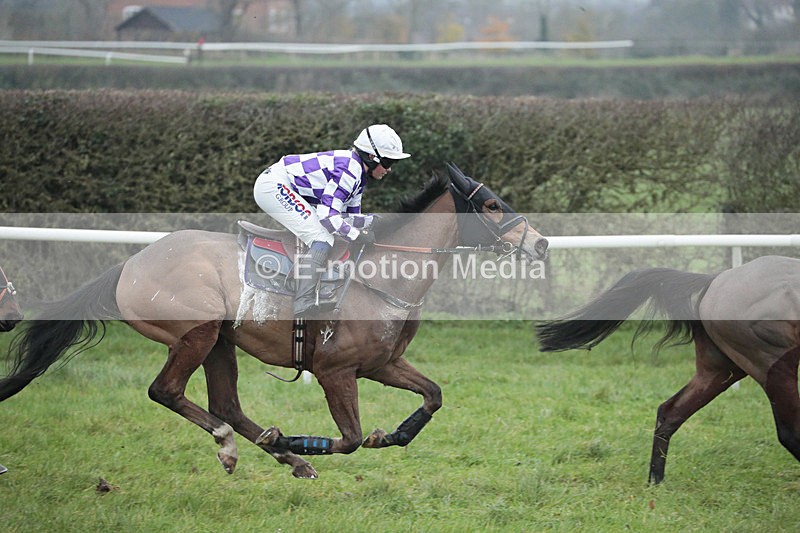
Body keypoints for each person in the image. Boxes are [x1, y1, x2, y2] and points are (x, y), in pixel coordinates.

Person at [254, 124, 411, 317]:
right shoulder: (349, 170)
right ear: (371, 157)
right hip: (273, 186)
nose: (389, 169)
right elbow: (328, 217)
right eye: (387, 163)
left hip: (285, 185)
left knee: (332, 233)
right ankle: (303, 300)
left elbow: (349, 217)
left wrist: (373, 222)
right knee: (322, 237)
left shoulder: (359, 175)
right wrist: (357, 235)